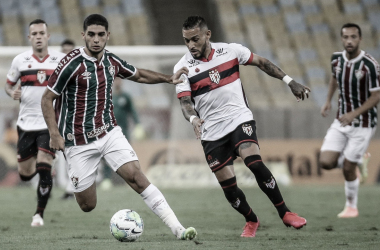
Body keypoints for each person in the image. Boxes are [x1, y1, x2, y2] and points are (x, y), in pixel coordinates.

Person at [41, 14, 197, 240]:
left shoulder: (111, 62)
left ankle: (178, 229)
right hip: (77, 141)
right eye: (91, 34)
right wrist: (54, 135)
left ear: (107, 36)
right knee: (87, 205)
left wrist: (168, 78)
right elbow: (46, 99)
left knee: (136, 176)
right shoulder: (70, 64)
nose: (96, 39)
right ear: (83, 35)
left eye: (101, 35)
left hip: (108, 132)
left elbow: (139, 75)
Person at [174, 16, 309, 238]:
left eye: (195, 39)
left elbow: (263, 63)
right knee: (230, 190)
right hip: (211, 131)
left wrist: (289, 81)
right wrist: (193, 119)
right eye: (186, 41)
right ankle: (251, 219)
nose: (191, 46)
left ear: (207, 35)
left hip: (239, 119)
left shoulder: (231, 51)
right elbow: (185, 102)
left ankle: (285, 212)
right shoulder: (182, 67)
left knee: (254, 163)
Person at [4, 19, 66, 227]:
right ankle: (43, 167)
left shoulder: (60, 60)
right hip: (25, 125)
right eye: (35, 33)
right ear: (29, 37)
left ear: (48, 36)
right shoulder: (20, 61)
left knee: (43, 167)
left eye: (42, 33)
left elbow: (70, 86)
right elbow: (8, 85)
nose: (38, 36)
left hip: (49, 124)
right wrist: (12, 92)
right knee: (25, 173)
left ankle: (38, 214)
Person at [319, 23, 380, 218]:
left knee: (347, 168)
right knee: (326, 162)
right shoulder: (336, 59)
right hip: (341, 121)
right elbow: (334, 79)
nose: (349, 41)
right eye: (345, 37)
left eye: (353, 37)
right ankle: (357, 162)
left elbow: (376, 96)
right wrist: (328, 101)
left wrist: (355, 113)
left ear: (360, 39)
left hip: (363, 124)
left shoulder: (370, 65)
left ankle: (351, 207)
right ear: (341, 38)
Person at [99, 77, 144, 190]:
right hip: (109, 132)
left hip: (124, 133)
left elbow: (133, 111)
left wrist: (138, 124)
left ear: (122, 82)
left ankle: (130, 180)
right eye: (116, 80)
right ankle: (106, 179)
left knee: (126, 156)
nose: (117, 82)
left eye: (119, 80)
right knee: (106, 156)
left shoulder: (126, 97)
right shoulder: (108, 97)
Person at [57, 38, 76, 200]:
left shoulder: (79, 70)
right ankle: (44, 186)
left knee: (71, 154)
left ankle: (70, 189)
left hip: (72, 119)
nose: (66, 54)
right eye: (64, 51)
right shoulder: (53, 69)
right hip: (52, 118)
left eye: (70, 51)